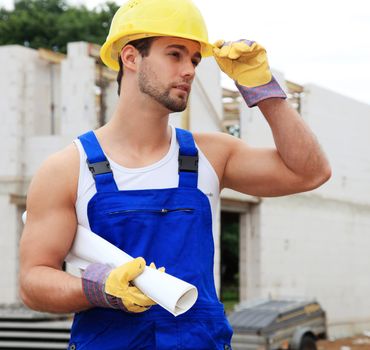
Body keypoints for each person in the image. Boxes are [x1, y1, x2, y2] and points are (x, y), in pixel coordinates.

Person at [19, 0, 331, 349]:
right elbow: (34, 281)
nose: (189, 70)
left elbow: (310, 173)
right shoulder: (67, 169)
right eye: (175, 54)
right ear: (131, 57)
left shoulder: (210, 156)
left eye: (194, 60)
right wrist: (99, 288)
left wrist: (263, 89)